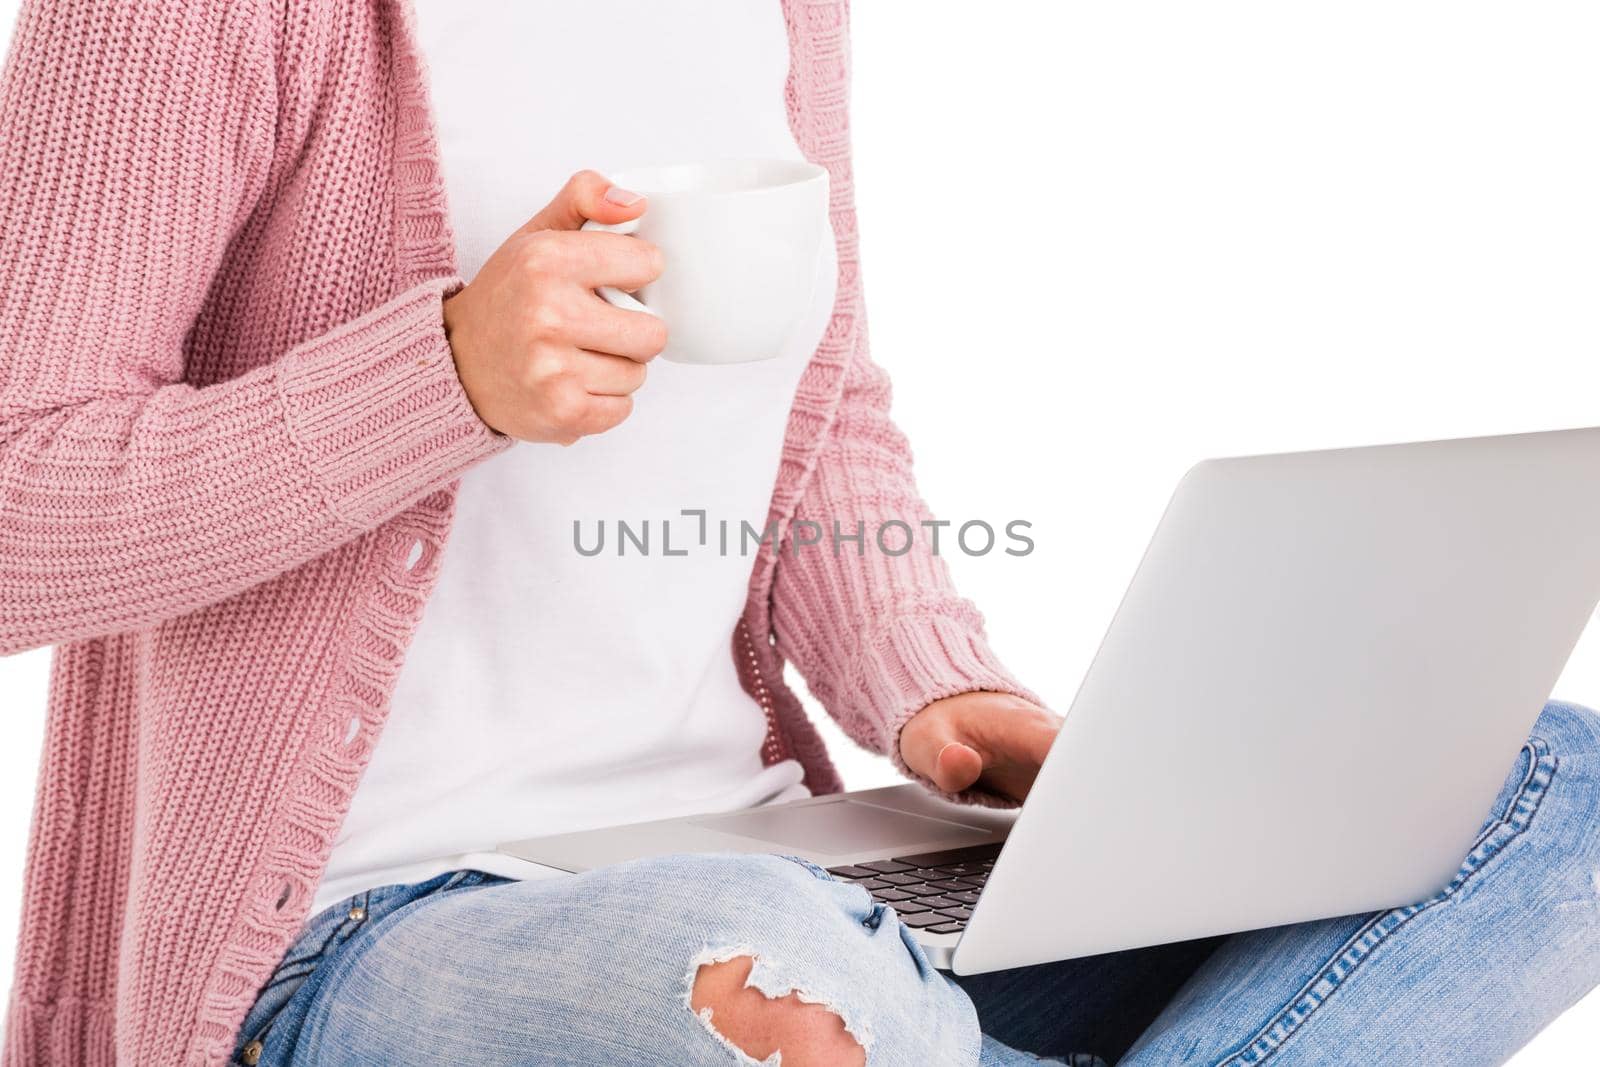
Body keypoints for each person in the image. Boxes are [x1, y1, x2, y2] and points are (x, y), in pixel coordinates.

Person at [0, 2, 1594, 1065]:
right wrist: (442, 375)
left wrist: (933, 688)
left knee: (1550, 788)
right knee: (772, 967)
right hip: (369, 924)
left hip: (788, 853)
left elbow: (815, 406)